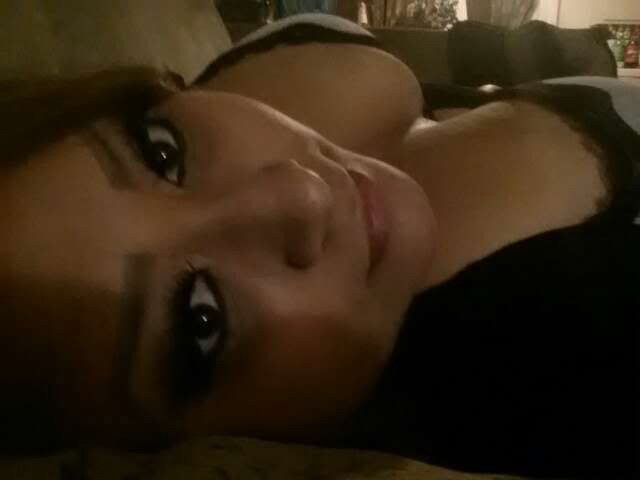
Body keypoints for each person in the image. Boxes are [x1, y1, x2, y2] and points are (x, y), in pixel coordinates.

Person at [0, 13, 637, 478]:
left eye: (158, 153)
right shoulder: (566, 340)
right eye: (202, 319)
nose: (301, 195)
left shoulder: (264, 89)